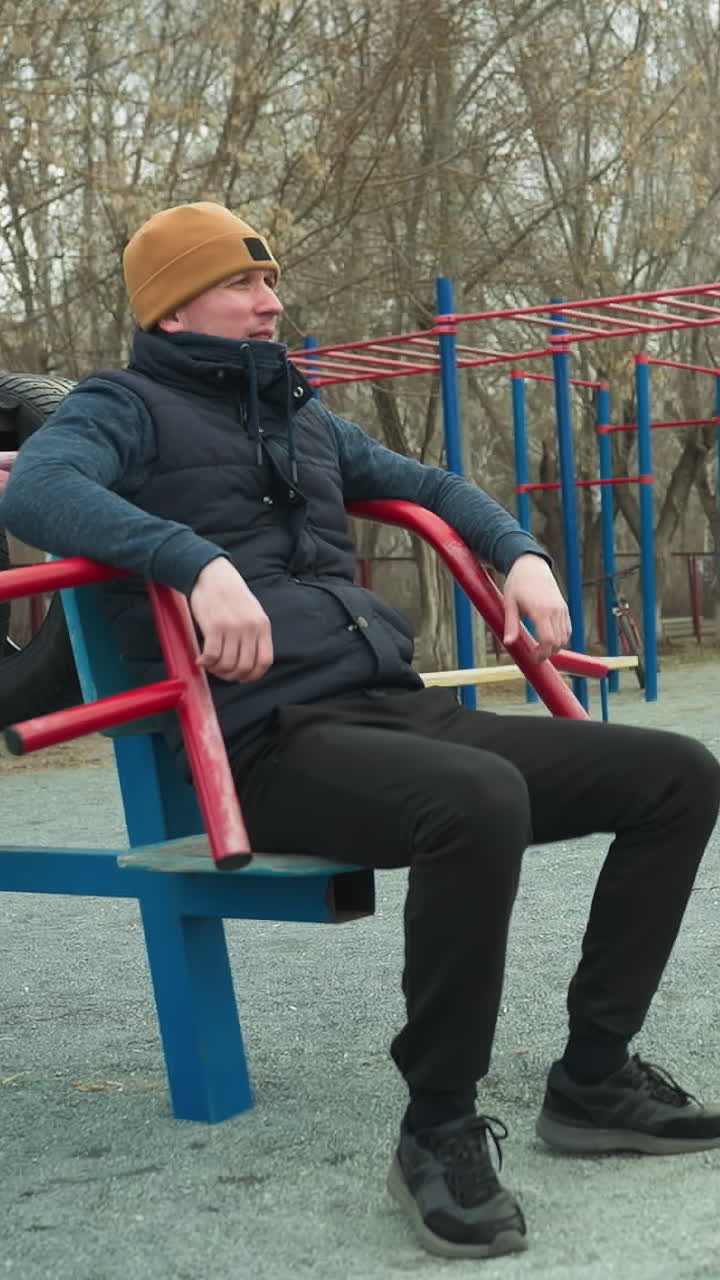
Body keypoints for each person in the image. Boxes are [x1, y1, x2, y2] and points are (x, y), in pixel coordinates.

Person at [3, 201, 720, 1262]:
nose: (271, 300)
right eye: (246, 284)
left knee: (676, 772)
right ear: (174, 305)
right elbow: (51, 490)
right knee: (478, 799)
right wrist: (198, 562)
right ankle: (437, 1125)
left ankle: (593, 1076)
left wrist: (516, 549)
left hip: (392, 705)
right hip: (266, 738)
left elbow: (426, 483)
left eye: (271, 281)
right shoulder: (122, 407)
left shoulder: (298, 414)